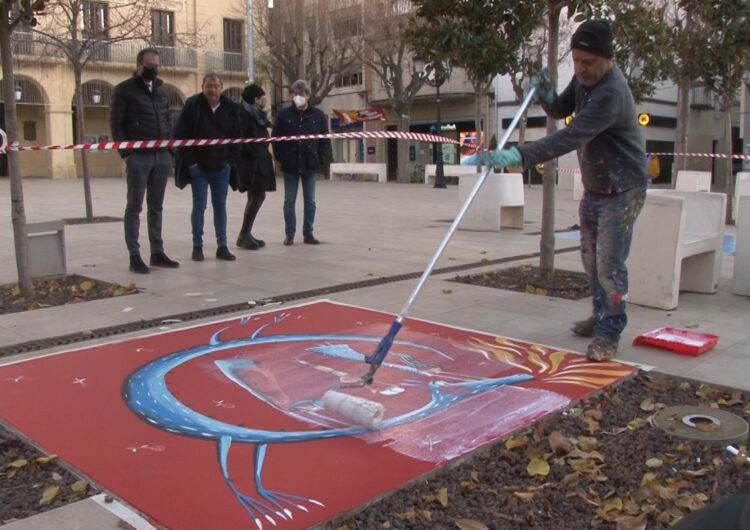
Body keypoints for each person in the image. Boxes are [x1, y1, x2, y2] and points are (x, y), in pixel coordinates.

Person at [485, 20, 648, 362]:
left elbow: (570, 137)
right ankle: (601, 314)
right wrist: (546, 94)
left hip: (622, 188)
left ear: (607, 58)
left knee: (609, 264)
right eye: (576, 61)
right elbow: (561, 110)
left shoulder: (611, 93)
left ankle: (609, 332)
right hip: (596, 186)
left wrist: (522, 155)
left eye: (588, 63)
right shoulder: (585, 79)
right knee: (590, 259)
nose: (581, 69)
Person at [110, 47, 179, 274]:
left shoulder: (160, 90)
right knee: (134, 206)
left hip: (160, 155)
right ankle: (134, 254)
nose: (153, 70)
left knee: (156, 206)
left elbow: (166, 119)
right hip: (139, 156)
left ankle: (157, 252)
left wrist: (169, 150)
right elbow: (116, 124)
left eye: (156, 66)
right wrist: (127, 152)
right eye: (150, 66)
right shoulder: (124, 90)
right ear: (139, 65)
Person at [173, 73, 241, 262]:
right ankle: (197, 246)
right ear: (202, 87)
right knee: (199, 206)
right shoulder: (192, 106)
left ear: (221, 88)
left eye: (216, 86)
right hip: (198, 167)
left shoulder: (231, 108)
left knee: (220, 206)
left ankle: (222, 245)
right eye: (208, 86)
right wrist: (191, 162)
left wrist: (230, 161)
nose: (212, 90)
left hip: (222, 166)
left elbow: (238, 137)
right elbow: (180, 134)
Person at [272, 79, 331, 245]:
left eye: (302, 94)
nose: (298, 97)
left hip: (310, 165)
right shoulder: (284, 115)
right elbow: (276, 139)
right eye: (295, 94)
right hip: (290, 164)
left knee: (310, 201)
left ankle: (308, 232)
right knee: (289, 200)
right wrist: (281, 157)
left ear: (308, 95)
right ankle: (289, 233)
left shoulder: (317, 115)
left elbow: (325, 140)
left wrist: (320, 158)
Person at [236, 83, 276, 250]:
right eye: (262, 97)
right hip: (252, 162)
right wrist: (253, 153)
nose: (264, 100)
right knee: (258, 196)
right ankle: (244, 234)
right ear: (255, 99)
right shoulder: (244, 114)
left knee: (255, 196)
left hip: (260, 159)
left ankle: (246, 233)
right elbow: (242, 138)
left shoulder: (257, 114)